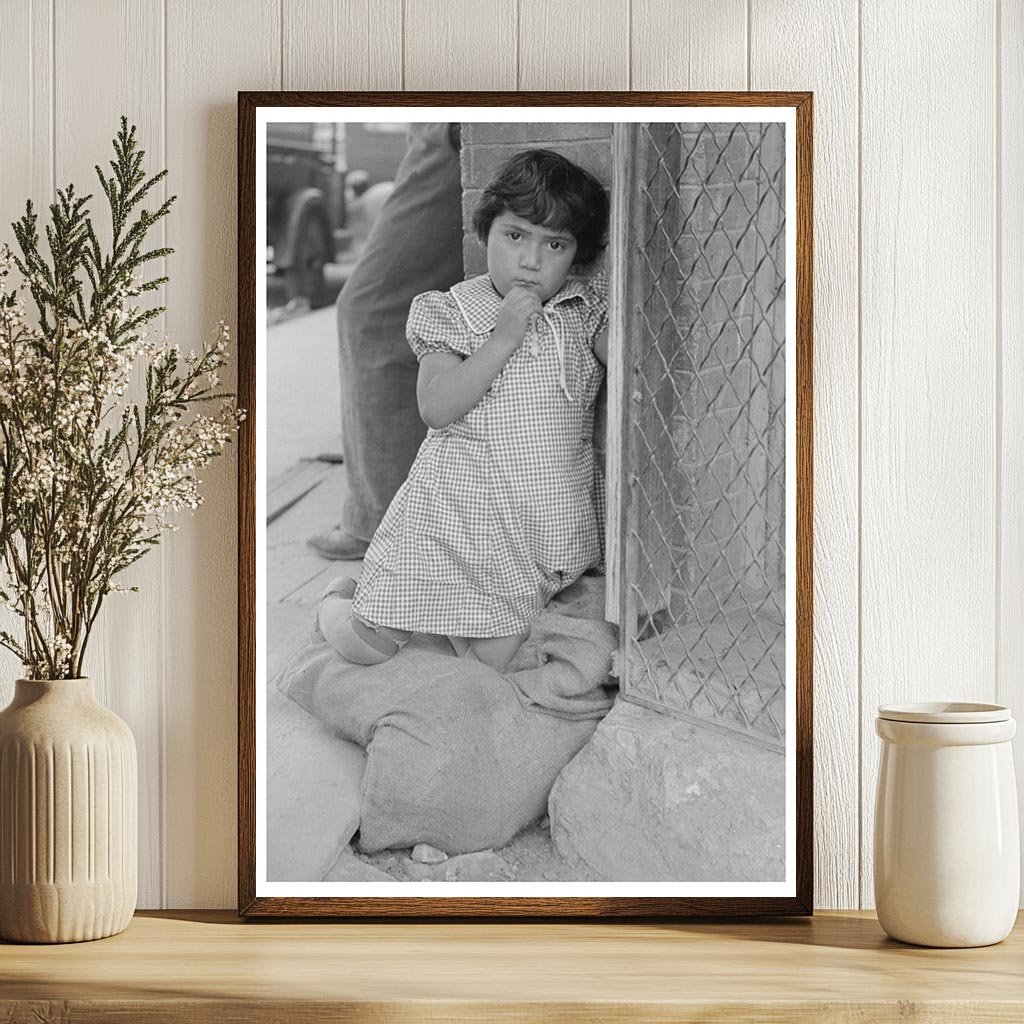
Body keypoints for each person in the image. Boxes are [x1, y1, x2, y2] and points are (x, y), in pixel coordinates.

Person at [317, 149, 610, 672]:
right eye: (515, 235)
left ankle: (454, 635)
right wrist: (503, 338)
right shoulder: (450, 311)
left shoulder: (583, 309)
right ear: (485, 232)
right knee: (372, 643)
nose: (530, 261)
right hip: (456, 512)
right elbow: (436, 407)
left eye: (555, 245)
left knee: (490, 662)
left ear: (576, 257)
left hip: (540, 521)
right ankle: (339, 613)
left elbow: (636, 364)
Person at [307, 123, 465, 560]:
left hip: (451, 128)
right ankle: (409, 513)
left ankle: (381, 521)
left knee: (370, 314)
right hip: (442, 129)